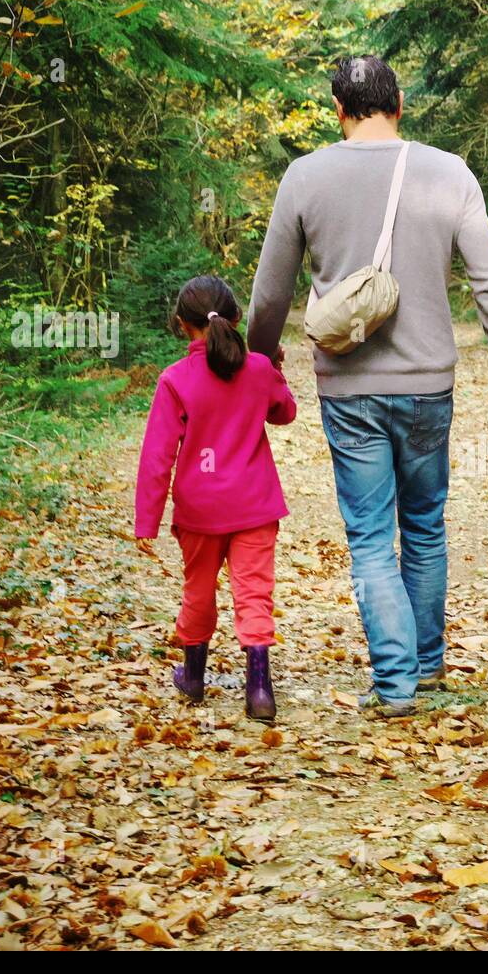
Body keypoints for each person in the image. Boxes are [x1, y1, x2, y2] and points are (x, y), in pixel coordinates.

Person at [247, 54, 488, 718]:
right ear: (400, 103)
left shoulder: (304, 177)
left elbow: (271, 293)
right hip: (428, 384)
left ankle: (397, 684)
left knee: (372, 539)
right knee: (425, 525)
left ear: (338, 110)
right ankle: (428, 664)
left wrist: (261, 364)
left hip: (349, 391)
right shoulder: (449, 172)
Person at [134, 275, 297, 723]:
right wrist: (275, 370)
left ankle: (193, 677)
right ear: (236, 318)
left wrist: (146, 521)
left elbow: (156, 458)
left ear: (183, 326)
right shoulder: (259, 369)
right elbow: (285, 412)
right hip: (255, 505)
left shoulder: (174, 380)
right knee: (254, 594)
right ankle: (260, 691)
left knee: (198, 592)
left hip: (200, 511)